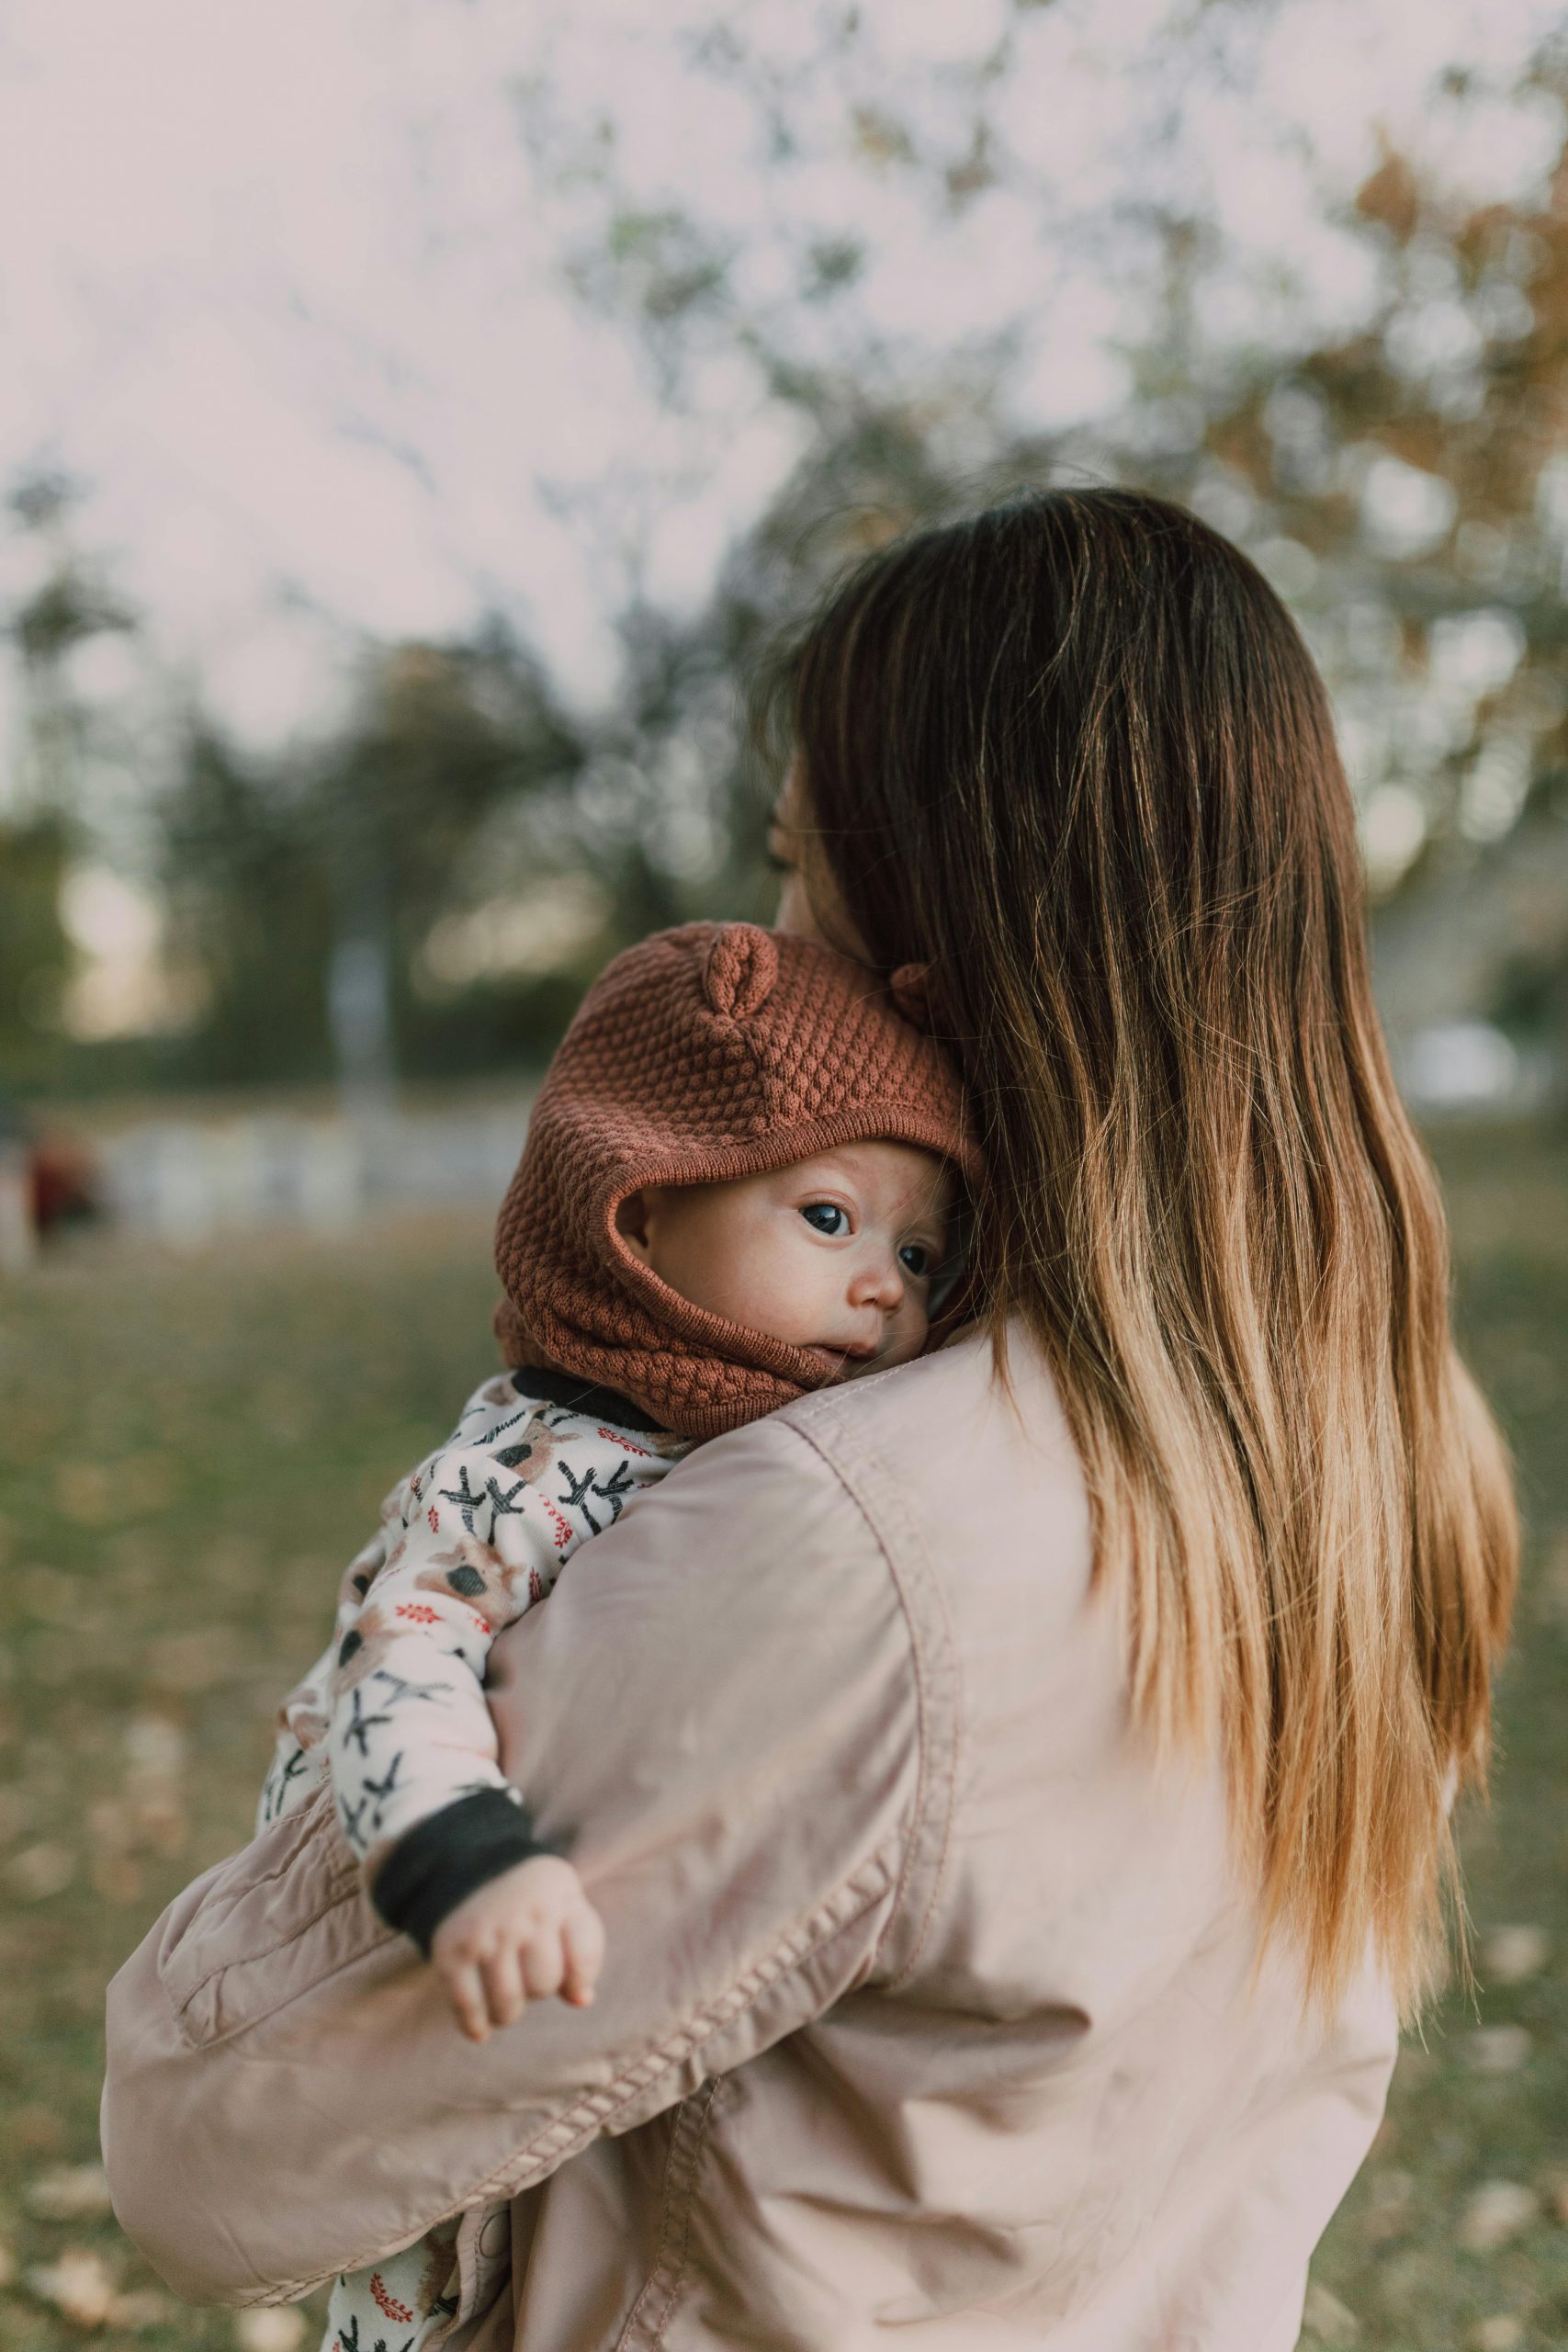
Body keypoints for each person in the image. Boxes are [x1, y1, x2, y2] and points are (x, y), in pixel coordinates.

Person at [102, 488, 1517, 2352]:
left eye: (795, 869)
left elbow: (213, 2144)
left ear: (934, 969)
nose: (775, 948)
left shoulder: (858, 1533)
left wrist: (417, 1650)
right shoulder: (1392, 1456)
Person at [259, 917, 971, 2352]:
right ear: (639, 1213)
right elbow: (399, 1646)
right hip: (434, 1915)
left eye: (918, 1250)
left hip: (604, 2007)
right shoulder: (540, 1456)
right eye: (829, 1219)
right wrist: (463, 1864)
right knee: (418, 2286)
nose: (886, 1284)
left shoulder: (787, 1448)